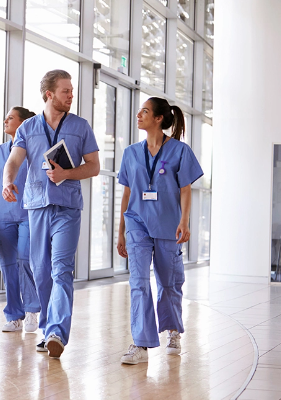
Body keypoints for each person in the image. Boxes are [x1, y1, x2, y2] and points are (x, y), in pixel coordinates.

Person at [2, 70, 100, 358]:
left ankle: (57, 330)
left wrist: (67, 173)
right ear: (49, 94)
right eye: (66, 91)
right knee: (42, 272)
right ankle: (47, 329)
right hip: (36, 207)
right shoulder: (28, 128)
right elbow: (13, 161)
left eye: (71, 91)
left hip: (68, 208)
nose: (71, 96)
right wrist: (8, 181)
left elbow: (93, 166)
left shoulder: (81, 127)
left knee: (61, 269)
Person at [116, 96, 203, 364]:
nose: (139, 114)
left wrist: (184, 221)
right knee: (138, 282)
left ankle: (173, 330)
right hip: (137, 224)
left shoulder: (180, 151)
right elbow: (127, 192)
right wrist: (120, 231)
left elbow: (186, 189)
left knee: (169, 283)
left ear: (159, 119)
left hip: (168, 224)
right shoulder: (131, 153)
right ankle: (140, 344)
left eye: (145, 111)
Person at [0, 107, 41, 333]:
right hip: (4, 217)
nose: (5, 120)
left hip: (29, 214)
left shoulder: (34, 150)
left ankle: (33, 310)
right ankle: (14, 314)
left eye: (11, 117)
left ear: (24, 123)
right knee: (7, 265)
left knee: (25, 259)